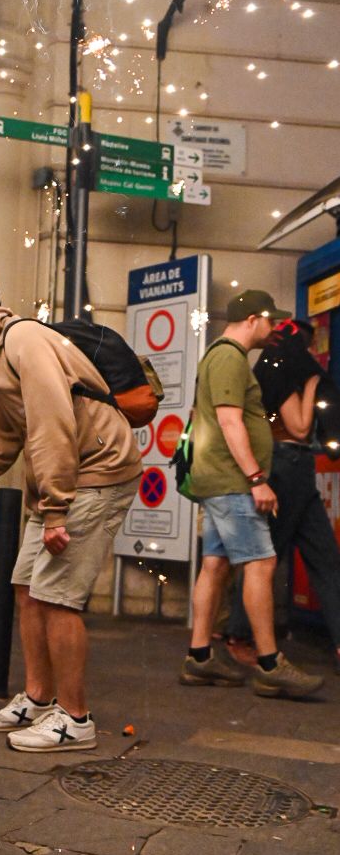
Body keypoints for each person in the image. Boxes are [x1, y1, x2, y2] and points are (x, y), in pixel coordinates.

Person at [0, 272, 142, 752]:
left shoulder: (25, 339)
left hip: (96, 472)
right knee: (26, 587)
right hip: (67, 480)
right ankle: (40, 698)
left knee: (55, 596)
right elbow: (4, 441)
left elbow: (52, 425)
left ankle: (75, 717)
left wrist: (55, 512)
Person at [180, 292, 325, 699]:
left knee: (216, 564)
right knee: (262, 562)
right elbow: (229, 421)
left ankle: (199, 656)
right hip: (232, 482)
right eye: (270, 321)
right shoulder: (228, 357)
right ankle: (270, 664)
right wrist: (257, 478)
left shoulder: (219, 356)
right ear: (252, 319)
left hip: (218, 479)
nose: (275, 328)